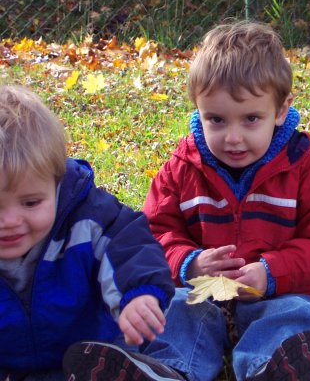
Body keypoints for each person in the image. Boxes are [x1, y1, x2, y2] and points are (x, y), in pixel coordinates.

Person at [142, 20, 310, 381]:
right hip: (202, 298)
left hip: (284, 294)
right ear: (198, 110)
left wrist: (272, 272)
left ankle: (271, 369)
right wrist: (188, 264)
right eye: (216, 119)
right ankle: (169, 370)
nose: (233, 137)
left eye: (251, 119)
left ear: (280, 110)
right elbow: (150, 235)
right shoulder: (183, 167)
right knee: (172, 309)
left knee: (296, 315)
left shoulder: (302, 165)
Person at [0, 85, 189, 381]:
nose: (10, 221)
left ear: (56, 184)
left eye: (31, 202)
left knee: (171, 325)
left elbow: (130, 247)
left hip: (90, 358)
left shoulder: (88, 219)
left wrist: (136, 296)